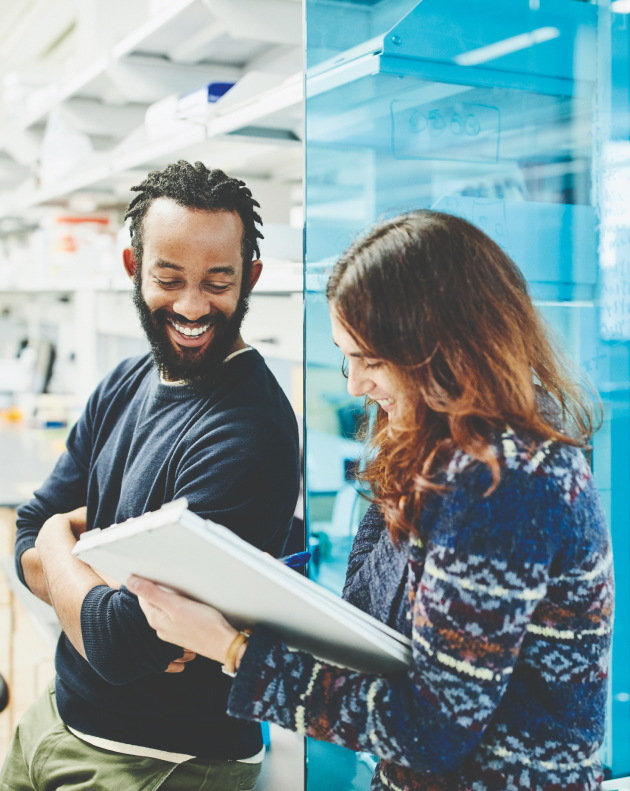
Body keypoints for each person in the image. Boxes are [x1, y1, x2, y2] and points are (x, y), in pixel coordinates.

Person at [129, 209, 614, 791]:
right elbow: (382, 636)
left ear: (451, 350)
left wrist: (234, 648)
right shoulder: (441, 445)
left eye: (373, 361)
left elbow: (434, 729)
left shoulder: (507, 486)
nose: (355, 384)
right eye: (347, 355)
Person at [1, 161, 300, 791]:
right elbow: (20, 537)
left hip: (164, 763)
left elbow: (116, 646)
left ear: (251, 277)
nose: (192, 307)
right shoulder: (127, 382)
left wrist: (61, 542)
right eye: (170, 279)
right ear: (134, 269)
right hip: (56, 722)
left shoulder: (247, 431)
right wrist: (83, 585)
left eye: (218, 282)